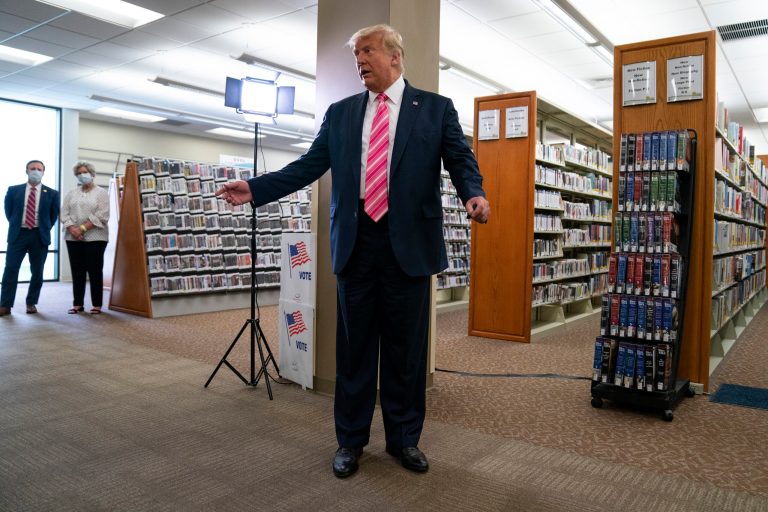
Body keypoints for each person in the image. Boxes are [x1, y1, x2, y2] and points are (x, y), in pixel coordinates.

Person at [216, 24, 490, 478]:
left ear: (394, 57)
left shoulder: (435, 109)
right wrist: (256, 187)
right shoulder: (341, 113)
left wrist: (473, 193)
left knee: (405, 355)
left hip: (410, 249)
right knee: (355, 351)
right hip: (356, 247)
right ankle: (350, 442)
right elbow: (309, 165)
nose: (359, 60)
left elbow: (460, 158)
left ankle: (405, 441)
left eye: (366, 51)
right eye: (355, 55)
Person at [1, 160, 60, 316]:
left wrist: (44, 227)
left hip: (39, 236)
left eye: (39, 169)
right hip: (18, 234)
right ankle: (5, 304)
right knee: (10, 269)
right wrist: (18, 224)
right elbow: (9, 212)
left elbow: (53, 215)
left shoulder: (52, 193)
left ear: (43, 172)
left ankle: (31, 303)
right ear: (26, 171)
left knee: (37, 272)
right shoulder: (14, 190)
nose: (35, 171)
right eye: (32, 168)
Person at [60, 161, 110, 314]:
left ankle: (96, 304)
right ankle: (77, 304)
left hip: (96, 236)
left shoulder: (101, 192)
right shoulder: (71, 193)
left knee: (95, 271)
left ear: (92, 174)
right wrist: (73, 229)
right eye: (79, 173)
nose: (82, 175)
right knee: (77, 271)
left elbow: (102, 215)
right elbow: (64, 213)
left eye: (85, 172)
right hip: (72, 237)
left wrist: (82, 228)